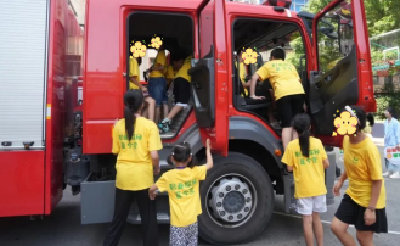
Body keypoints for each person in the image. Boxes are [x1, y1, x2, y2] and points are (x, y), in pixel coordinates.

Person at [103, 90, 162, 246]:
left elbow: (116, 152)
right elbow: (154, 156)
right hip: (143, 178)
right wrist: (156, 169)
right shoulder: (150, 126)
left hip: (123, 178)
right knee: (148, 220)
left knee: (118, 220)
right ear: (142, 105)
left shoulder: (118, 126)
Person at [331, 106, 388, 246]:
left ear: (358, 124)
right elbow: (350, 164)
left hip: (370, 199)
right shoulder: (346, 139)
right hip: (353, 195)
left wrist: (371, 209)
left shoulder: (369, 148)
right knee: (337, 227)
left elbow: (377, 181)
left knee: (363, 239)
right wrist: (340, 180)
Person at [149, 139, 213, 246]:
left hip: (178, 223)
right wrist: (207, 150)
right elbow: (210, 164)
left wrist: (152, 193)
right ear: (189, 158)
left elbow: (152, 188)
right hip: (192, 220)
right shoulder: (195, 172)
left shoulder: (169, 176)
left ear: (173, 158)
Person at [281, 113, 329, 246]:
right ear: (309, 127)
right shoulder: (318, 143)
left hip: (303, 188)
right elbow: (326, 164)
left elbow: (289, 168)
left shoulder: (291, 146)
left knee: (307, 220)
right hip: (319, 187)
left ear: (294, 129)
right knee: (316, 218)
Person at [249, 48, 306, 151]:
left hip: (283, 93)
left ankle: (288, 154)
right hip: (299, 92)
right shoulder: (290, 65)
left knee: (287, 124)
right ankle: (296, 152)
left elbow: (254, 78)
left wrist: (252, 95)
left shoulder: (269, 65)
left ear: (272, 57)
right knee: (296, 124)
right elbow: (299, 80)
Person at [159, 53, 191, 133]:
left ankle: (169, 124)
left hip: (177, 79)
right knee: (181, 104)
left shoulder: (188, 58)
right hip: (184, 80)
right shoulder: (195, 57)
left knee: (177, 104)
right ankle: (166, 121)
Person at [148, 45, 169, 123]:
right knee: (164, 102)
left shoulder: (160, 53)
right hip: (162, 79)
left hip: (156, 79)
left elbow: (161, 67)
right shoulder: (162, 54)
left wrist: (150, 69)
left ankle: (155, 124)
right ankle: (165, 123)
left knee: (156, 103)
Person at [130, 56, 155, 121]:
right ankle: (150, 123)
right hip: (133, 90)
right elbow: (132, 78)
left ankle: (146, 123)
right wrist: (142, 86)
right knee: (150, 102)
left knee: (148, 103)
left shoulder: (134, 62)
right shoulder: (133, 60)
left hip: (135, 89)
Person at [382, 107, 400, 179]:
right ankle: (390, 170)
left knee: (395, 157)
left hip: (394, 143)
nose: (384, 112)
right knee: (387, 156)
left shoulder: (396, 122)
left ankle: (397, 172)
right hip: (387, 143)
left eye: (386, 111)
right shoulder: (385, 122)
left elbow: (398, 133)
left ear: (390, 113)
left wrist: (398, 143)